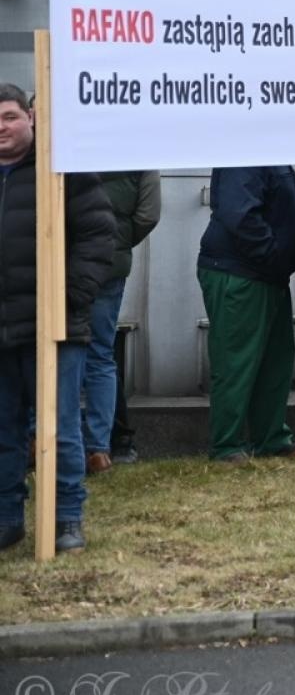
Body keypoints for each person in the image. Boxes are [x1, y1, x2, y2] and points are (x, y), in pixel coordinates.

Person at [0, 83, 115, 553]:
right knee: (3, 430)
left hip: (53, 326)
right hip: (3, 329)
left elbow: (99, 236)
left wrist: (67, 300)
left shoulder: (63, 169)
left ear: (30, 117)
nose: (1, 127)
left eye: (8, 116)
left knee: (61, 427)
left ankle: (67, 518)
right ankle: (8, 518)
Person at [198, 166, 295, 464]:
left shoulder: (267, 148)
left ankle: (270, 437)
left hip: (263, 273)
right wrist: (273, 254)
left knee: (276, 358)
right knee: (236, 360)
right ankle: (226, 444)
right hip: (242, 271)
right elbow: (240, 214)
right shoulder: (246, 150)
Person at [82, 170, 159, 473]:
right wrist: (120, 240)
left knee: (52, 350)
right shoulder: (138, 146)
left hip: (60, 257)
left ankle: (48, 441)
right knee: (100, 353)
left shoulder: (62, 135)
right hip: (109, 263)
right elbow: (149, 213)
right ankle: (99, 448)